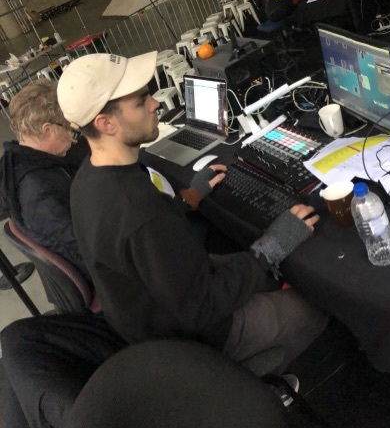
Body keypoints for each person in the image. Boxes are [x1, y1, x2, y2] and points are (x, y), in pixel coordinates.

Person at [58, 52, 328, 377]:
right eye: (141, 100)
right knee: (315, 304)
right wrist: (273, 245)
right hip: (194, 339)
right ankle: (248, 386)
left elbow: (145, 245)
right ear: (106, 123)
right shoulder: (137, 209)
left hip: (157, 311)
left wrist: (188, 199)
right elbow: (202, 307)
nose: (155, 103)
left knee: (260, 269)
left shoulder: (89, 178)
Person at [0, 81, 86, 278]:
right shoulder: (38, 191)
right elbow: (87, 248)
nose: (74, 138)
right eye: (69, 128)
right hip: (100, 271)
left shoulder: (19, 160)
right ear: (47, 130)